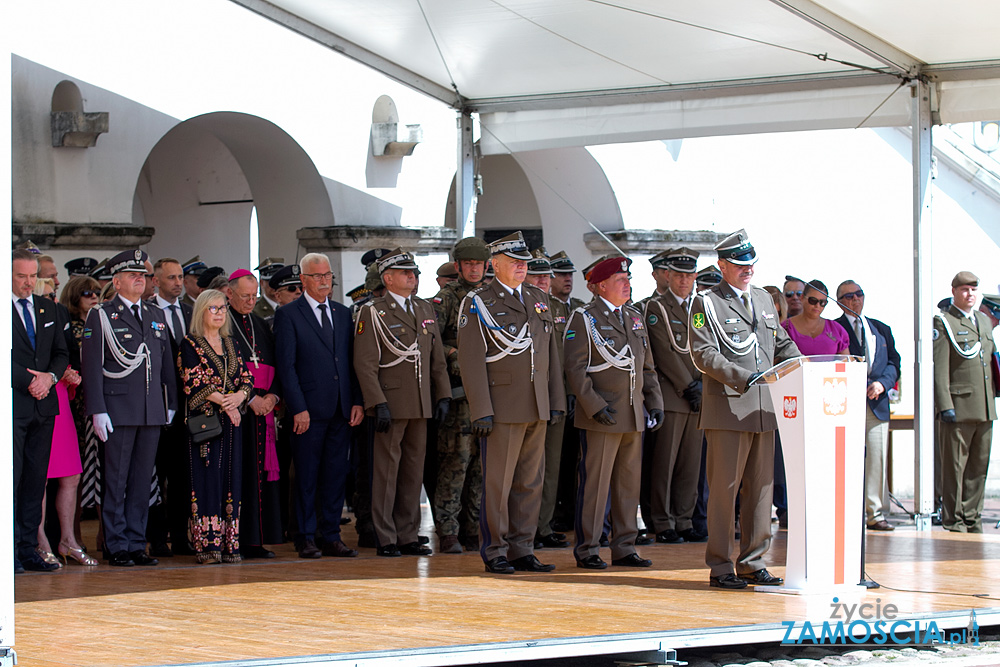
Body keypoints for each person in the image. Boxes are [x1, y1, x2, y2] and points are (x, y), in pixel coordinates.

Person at [689, 229, 800, 589]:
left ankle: (753, 561)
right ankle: (721, 566)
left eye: (750, 264)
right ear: (722, 266)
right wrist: (744, 377)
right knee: (725, 490)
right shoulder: (705, 303)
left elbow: (781, 344)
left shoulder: (766, 300)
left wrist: (807, 369)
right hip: (729, 408)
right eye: (739, 265)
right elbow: (703, 353)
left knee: (761, 489)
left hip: (764, 411)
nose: (747, 270)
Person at [457, 231, 566, 574]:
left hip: (536, 403)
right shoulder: (478, 301)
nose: (522, 268)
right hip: (502, 405)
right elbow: (471, 361)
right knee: (498, 483)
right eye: (515, 263)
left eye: (524, 263)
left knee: (530, 482)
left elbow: (550, 354)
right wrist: (482, 410)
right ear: (495, 265)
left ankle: (523, 547)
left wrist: (556, 399)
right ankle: (495, 549)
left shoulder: (537, 298)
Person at [565, 256, 663, 569]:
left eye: (628, 279)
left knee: (627, 485)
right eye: (621, 280)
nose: (628, 284)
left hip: (633, 413)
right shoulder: (584, 318)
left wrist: (655, 402)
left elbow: (646, 366)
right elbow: (575, 369)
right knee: (595, 485)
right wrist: (594, 406)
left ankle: (624, 546)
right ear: (602, 285)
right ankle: (589, 547)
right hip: (602, 413)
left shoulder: (633, 317)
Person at [81, 249, 177, 567]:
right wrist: (98, 409)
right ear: (117, 281)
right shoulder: (102, 315)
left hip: (151, 409)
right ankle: (116, 543)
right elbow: (92, 366)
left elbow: (164, 365)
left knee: (141, 481)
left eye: (143, 275)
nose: (141, 280)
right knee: (116, 480)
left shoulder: (154, 315)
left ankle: (137, 542)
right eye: (133, 276)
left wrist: (171, 403)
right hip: (118, 408)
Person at [354, 249, 451, 556]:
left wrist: (443, 394)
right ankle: (386, 536)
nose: (413, 276)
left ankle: (408, 533)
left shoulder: (423, 309)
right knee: (386, 473)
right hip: (391, 401)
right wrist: (376, 402)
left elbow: (436, 360)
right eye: (406, 272)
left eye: (415, 272)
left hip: (420, 401)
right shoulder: (373, 311)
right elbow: (365, 363)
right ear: (388, 278)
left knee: (412, 471)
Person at [274, 252, 364, 558]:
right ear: (303, 280)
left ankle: (331, 535)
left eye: (328, 276)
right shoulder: (289, 315)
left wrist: (357, 401)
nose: (324, 281)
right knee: (307, 476)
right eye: (317, 276)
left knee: (335, 475)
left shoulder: (342, 312)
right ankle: (306, 536)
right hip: (308, 411)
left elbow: (351, 362)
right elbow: (287, 367)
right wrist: (297, 407)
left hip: (341, 409)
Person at [179, 290, 255, 563]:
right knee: (208, 479)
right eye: (213, 308)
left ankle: (229, 545)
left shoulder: (231, 343)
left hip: (233, 424)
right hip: (207, 423)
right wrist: (227, 403)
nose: (220, 312)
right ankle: (207, 546)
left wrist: (238, 399)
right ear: (201, 312)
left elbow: (246, 379)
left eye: (223, 308)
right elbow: (193, 381)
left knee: (231, 479)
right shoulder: (191, 343)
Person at [430, 236, 491, 554]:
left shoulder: (492, 297)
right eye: (467, 264)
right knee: (457, 463)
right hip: (460, 395)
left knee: (482, 467)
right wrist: (458, 358)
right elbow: (432, 342)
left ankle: (472, 528)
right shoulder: (447, 298)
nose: (473, 269)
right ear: (458, 266)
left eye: (478, 264)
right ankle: (449, 530)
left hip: (490, 395)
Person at [13, 248, 70, 573]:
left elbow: (61, 353)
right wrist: (28, 381)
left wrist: (49, 378)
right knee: (14, 477)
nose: (28, 282)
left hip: (44, 406)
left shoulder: (47, 307)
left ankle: (27, 548)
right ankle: (10, 551)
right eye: (21, 276)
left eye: (33, 276)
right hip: (16, 405)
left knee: (36, 480)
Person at [644, 247, 706, 544]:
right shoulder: (657, 307)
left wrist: (703, 384)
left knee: (690, 465)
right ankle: (662, 520)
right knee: (664, 464)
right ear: (668, 276)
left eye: (689, 275)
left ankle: (684, 519)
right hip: (673, 394)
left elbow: (705, 347)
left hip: (699, 395)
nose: (684, 281)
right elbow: (664, 352)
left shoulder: (699, 307)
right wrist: (690, 386)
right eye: (679, 275)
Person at [933, 271, 997, 533]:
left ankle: (973, 517)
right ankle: (954, 520)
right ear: (954, 291)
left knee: (978, 466)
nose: (969, 294)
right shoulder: (944, 322)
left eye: (973, 290)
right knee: (954, 468)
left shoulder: (983, 320)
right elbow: (940, 368)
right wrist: (944, 404)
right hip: (958, 407)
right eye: (964, 290)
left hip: (984, 405)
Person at [835, 280, 901, 531]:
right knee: (845, 458)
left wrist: (883, 384)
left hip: (877, 402)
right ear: (840, 301)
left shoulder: (881, 329)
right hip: (846, 402)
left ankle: (875, 513)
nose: (855, 299)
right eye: (849, 296)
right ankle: (848, 511)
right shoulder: (834, 328)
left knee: (876, 457)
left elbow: (894, 362)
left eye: (859, 294)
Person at [227, 269, 284, 557]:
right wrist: (250, 400)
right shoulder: (221, 322)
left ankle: (256, 539)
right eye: (245, 296)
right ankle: (237, 539)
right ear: (229, 293)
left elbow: (275, 363)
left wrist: (273, 396)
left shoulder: (260, 324)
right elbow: (222, 368)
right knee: (242, 474)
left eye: (254, 296)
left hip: (264, 412)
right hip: (238, 412)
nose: (250, 302)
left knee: (262, 476)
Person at [33, 279, 86, 568]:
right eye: (44, 294)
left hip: (61, 396)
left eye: (52, 294)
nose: (49, 299)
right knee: (38, 476)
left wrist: (70, 373)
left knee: (71, 474)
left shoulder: (59, 313)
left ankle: (68, 539)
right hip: (35, 393)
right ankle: (40, 539)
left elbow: (66, 352)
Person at [523, 249, 568, 549]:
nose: (542, 280)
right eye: (536, 274)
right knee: (526, 469)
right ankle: (523, 529)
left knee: (550, 467)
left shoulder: (559, 308)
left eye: (546, 275)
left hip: (557, 395)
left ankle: (544, 525)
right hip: (527, 396)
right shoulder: (519, 303)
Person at [148, 257, 193, 556]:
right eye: (171, 278)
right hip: (159, 405)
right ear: (156, 281)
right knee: (156, 474)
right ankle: (156, 537)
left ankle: (180, 536)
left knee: (182, 476)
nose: (177, 282)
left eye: (180, 277)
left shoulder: (191, 313)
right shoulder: (148, 313)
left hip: (190, 407)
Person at [60, 275, 104, 554]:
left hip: (99, 404)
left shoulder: (102, 322)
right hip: (76, 407)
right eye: (88, 292)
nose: (94, 296)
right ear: (75, 296)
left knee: (101, 470)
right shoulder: (70, 326)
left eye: (97, 292)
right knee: (74, 473)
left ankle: (105, 535)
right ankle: (72, 534)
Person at [547, 250, 587, 534]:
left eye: (569, 275)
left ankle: (571, 512)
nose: (567, 280)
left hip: (579, 396)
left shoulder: (580, 308)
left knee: (575, 459)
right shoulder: (544, 307)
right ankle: (551, 517)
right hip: (554, 394)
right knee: (553, 462)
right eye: (561, 275)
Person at [781, 280, 849, 355]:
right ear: (802, 297)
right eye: (813, 301)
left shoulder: (836, 329)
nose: (817, 306)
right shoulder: (785, 328)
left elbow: (846, 362)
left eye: (822, 302)